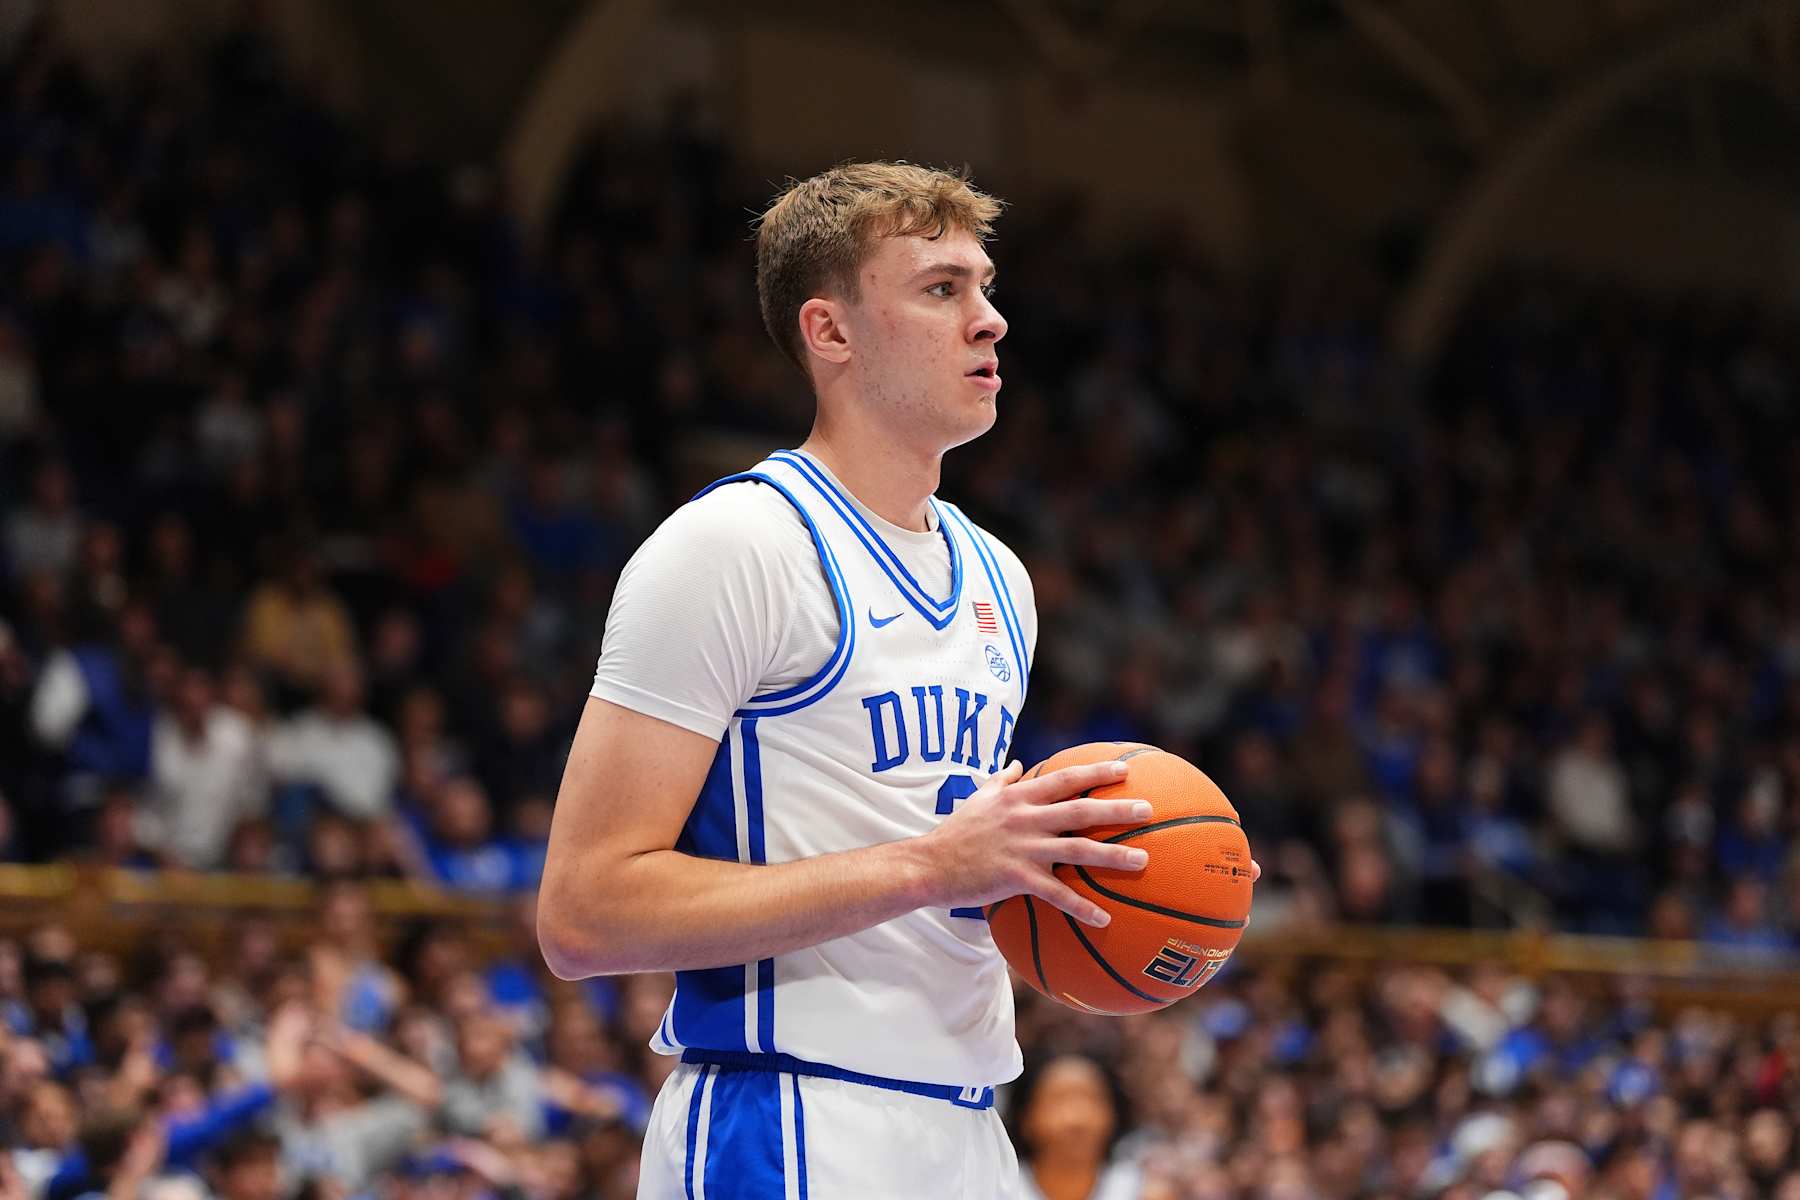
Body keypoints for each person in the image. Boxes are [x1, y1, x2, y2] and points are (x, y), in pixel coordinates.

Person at [539, 163, 1251, 1197]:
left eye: (987, 286)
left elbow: (948, 858)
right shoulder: (737, 545)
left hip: (968, 1127)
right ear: (830, 333)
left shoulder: (1002, 581)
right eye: (940, 289)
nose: (990, 320)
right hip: (784, 1115)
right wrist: (933, 865)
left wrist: (1097, 868)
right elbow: (582, 912)